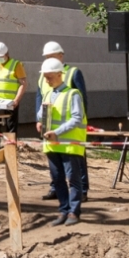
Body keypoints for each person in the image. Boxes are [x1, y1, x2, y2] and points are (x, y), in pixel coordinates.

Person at [36, 42, 88, 200]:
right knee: (55, 166)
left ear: (61, 55)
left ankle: (82, 190)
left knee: (76, 164)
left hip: (70, 129)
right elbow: (39, 97)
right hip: (50, 124)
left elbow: (81, 100)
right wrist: (39, 118)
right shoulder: (43, 75)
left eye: (52, 56)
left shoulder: (72, 73)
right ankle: (55, 189)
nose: (49, 60)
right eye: (47, 57)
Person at [0, 41, 26, 145]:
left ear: (7, 54)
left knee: (10, 126)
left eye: (1, 56)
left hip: (10, 102)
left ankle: (10, 149)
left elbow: (23, 83)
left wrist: (16, 100)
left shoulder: (16, 64)